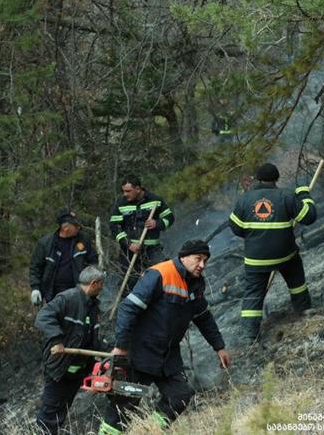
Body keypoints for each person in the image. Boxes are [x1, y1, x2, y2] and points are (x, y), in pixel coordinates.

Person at [99, 240, 230, 434]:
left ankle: (149, 430)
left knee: (181, 396)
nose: (202, 265)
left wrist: (219, 346)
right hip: (140, 353)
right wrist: (121, 346)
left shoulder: (196, 284)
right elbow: (129, 307)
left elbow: (204, 318)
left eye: (205, 260)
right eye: (198, 259)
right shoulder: (160, 274)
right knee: (123, 406)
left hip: (167, 357)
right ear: (184, 257)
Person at [228, 162, 317, 343]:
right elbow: (309, 217)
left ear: (258, 179)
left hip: (256, 260)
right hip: (285, 255)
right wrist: (304, 195)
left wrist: (254, 236)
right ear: (276, 179)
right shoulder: (286, 196)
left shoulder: (245, 199)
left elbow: (235, 228)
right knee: (296, 279)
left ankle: (249, 335)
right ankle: (305, 313)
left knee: (253, 294)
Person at [34, 266, 106, 435]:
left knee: (61, 412)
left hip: (77, 372)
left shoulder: (93, 306)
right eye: (101, 284)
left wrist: (112, 350)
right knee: (49, 414)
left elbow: (92, 339)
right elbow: (43, 317)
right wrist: (57, 340)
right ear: (94, 283)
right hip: (59, 368)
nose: (102, 288)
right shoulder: (68, 299)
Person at [108, 174, 174, 284]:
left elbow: (170, 218)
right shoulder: (121, 204)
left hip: (152, 251)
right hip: (129, 253)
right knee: (130, 283)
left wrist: (157, 223)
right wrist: (129, 244)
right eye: (123, 191)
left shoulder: (155, 200)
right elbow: (114, 226)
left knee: (164, 277)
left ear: (138, 189)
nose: (125, 194)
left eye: (128, 191)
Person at [30, 207, 98, 305]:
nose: (79, 228)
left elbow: (93, 262)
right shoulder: (46, 244)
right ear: (65, 227)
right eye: (75, 225)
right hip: (52, 293)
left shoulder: (83, 240)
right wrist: (35, 288)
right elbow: (35, 268)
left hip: (78, 291)